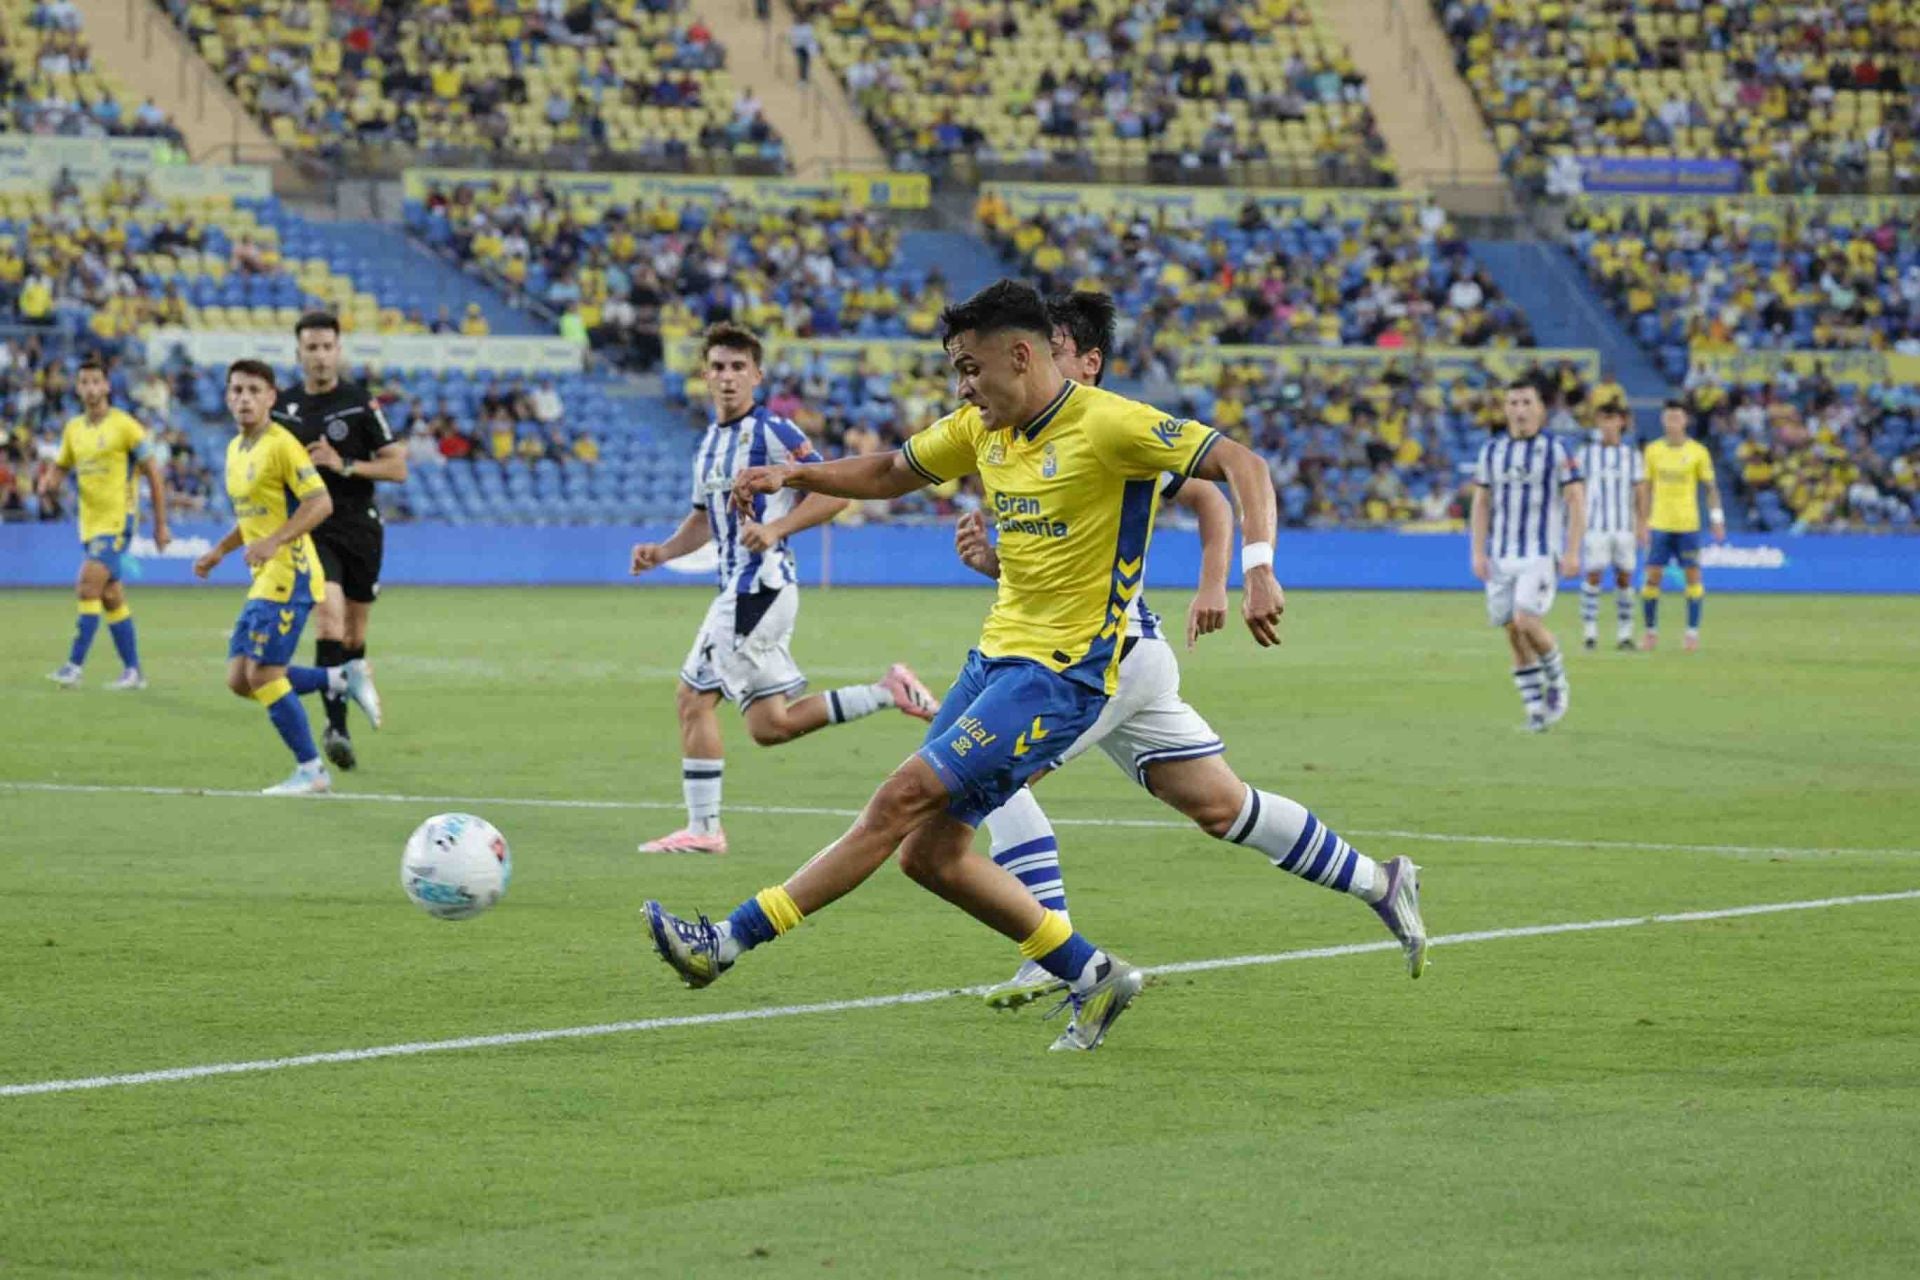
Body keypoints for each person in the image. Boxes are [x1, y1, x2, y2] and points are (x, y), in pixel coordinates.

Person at [642, 281, 1287, 1053]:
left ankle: (728, 941)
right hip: (994, 660)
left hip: (1062, 676)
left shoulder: (1111, 424)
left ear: (1021, 355)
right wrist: (796, 476)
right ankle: (1093, 972)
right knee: (929, 855)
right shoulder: (983, 430)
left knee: (899, 798)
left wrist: (1257, 570)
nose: (962, 386)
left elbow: (1241, 465)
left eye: (970, 368)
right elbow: (889, 471)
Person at [956, 291, 1429, 1007]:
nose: (1040, 364)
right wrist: (996, 564)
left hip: (1106, 658)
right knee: (1222, 807)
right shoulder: (1027, 435)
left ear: (1087, 362)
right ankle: (1379, 880)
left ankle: (1048, 948)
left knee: (982, 774)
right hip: (1116, 656)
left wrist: (1223, 579)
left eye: (1056, 351)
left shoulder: (1110, 425)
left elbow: (1213, 494)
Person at [629, 322, 941, 854]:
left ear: (757, 375)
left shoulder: (774, 432)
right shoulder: (708, 444)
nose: (727, 377)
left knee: (692, 699)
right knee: (771, 725)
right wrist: (663, 552)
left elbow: (835, 492)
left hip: (760, 587)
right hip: (743, 588)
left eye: (738, 367)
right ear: (706, 375)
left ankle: (704, 830)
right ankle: (888, 690)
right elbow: (703, 519)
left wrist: (775, 528)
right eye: (718, 367)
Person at [192, 361, 379, 795]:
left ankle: (312, 771)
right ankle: (340, 678)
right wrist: (220, 551)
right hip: (263, 576)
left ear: (272, 398)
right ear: (226, 397)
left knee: (263, 674)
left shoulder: (282, 445)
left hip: (289, 574)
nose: (244, 398)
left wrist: (275, 541)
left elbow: (320, 503)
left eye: (254, 390)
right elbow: (252, 518)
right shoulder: (236, 449)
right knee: (240, 679)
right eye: (236, 390)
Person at [271, 313, 404, 770]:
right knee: (328, 621)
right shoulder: (282, 410)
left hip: (361, 528)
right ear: (299, 354)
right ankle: (336, 728)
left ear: (338, 350)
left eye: (328, 346)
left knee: (354, 635)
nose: (321, 356)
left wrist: (342, 463)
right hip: (313, 529)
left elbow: (396, 467)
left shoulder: (360, 404)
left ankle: (345, 700)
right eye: (312, 348)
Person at [40, 358, 169, 690]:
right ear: (78, 387)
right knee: (111, 595)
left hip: (117, 521)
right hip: (89, 524)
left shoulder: (125, 426)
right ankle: (133, 672)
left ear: (107, 386)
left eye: (96, 381)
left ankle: (74, 666)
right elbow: (61, 465)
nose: (90, 388)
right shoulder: (73, 429)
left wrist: (160, 525)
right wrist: (49, 483)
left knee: (87, 584)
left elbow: (154, 474)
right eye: (84, 382)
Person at [1470, 374, 1587, 732]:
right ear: (1505, 408)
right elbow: (1481, 502)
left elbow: (1576, 499)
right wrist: (1478, 552)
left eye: (1526, 403)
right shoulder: (1493, 450)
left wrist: (1572, 551)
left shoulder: (1557, 449)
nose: (1519, 410)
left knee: (1526, 620)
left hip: (1539, 553)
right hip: (1501, 554)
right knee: (1512, 632)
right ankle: (1536, 710)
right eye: (1513, 403)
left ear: (1541, 409)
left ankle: (1558, 682)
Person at [1640, 399, 1725, 651]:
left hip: (1688, 525)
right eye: (1669, 418)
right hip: (1660, 524)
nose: (1673, 423)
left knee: (1693, 577)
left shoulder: (1698, 452)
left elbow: (1710, 488)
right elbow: (1646, 488)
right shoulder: (1653, 451)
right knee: (1652, 577)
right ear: (1662, 421)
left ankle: (1691, 633)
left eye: (1677, 418)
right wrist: (1642, 522)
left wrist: (1717, 519)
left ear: (1685, 421)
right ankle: (1650, 632)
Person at [1578, 398, 1648, 651]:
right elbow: (1577, 490)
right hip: (1595, 525)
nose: (1608, 425)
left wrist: (1642, 522)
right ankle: (1589, 632)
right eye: (1603, 419)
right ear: (1598, 422)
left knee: (1625, 579)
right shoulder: (1586, 454)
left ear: (1622, 422)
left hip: (1624, 527)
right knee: (1593, 576)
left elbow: (1640, 490)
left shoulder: (1631, 456)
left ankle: (1625, 634)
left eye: (1613, 419)